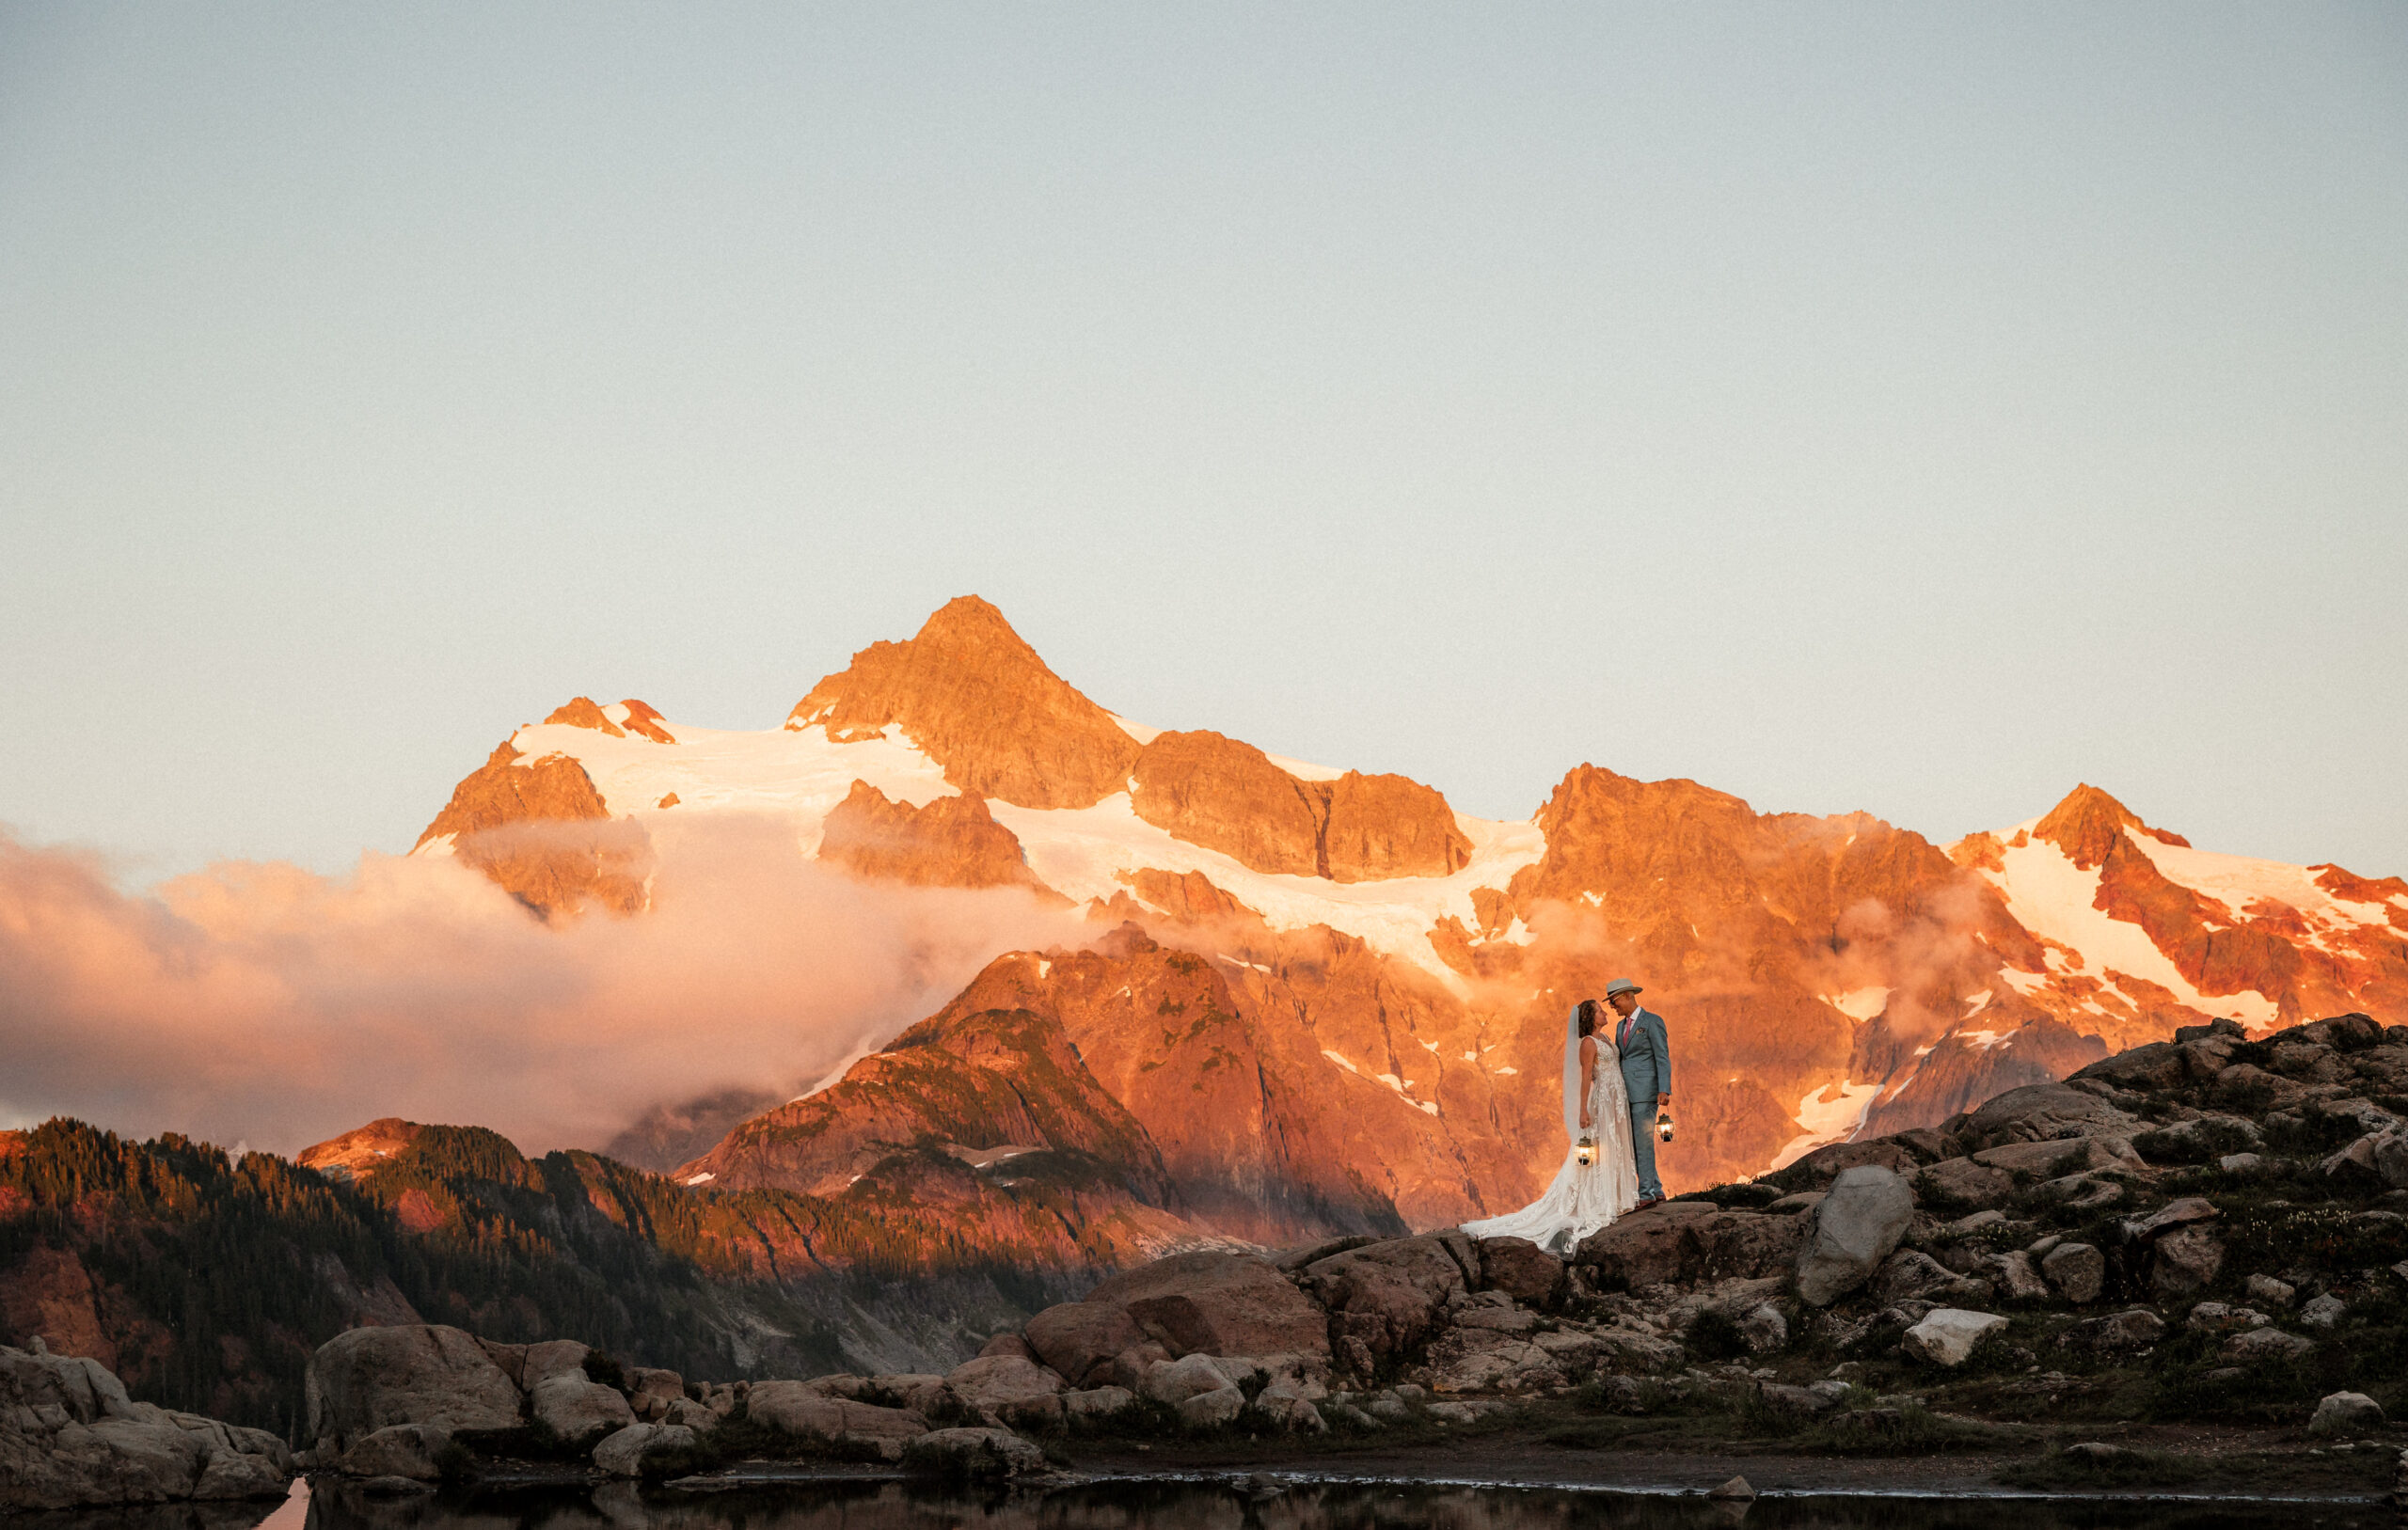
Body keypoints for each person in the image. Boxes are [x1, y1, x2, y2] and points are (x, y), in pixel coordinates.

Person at [1460, 998, 1640, 1254]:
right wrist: (1583, 1110)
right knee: (1600, 1146)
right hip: (1603, 1101)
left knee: (1616, 1145)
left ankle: (1618, 1196)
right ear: (1590, 1017)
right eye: (1600, 1011)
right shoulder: (1588, 1044)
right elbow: (1587, 1077)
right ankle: (1600, 1199)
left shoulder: (1607, 1040)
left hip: (1616, 1100)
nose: (1604, 1012)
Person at [1603, 978, 1671, 1208]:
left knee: (1643, 1143)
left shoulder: (1652, 1022)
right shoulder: (1620, 1027)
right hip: (1626, 1093)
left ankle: (1646, 1194)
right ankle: (1658, 1189)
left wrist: (1664, 1089)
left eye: (1614, 1001)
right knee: (1636, 1143)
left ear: (1628, 996)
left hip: (1646, 1092)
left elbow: (1662, 1057)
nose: (1612, 1007)